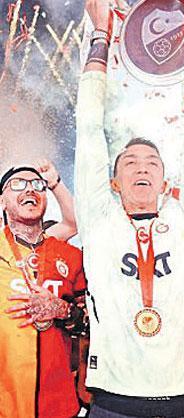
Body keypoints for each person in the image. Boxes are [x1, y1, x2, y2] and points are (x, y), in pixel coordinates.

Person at [74, 0, 184, 415]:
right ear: (113, 181)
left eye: (152, 163)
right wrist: (101, 36)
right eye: (130, 162)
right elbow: (88, 127)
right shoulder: (99, 218)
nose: (142, 168)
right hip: (114, 400)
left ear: (165, 181)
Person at [1, 166, 87, 417]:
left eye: (37, 185)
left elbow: (93, 325)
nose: (30, 189)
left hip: (59, 404)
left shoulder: (71, 257)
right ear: (2, 201)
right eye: (18, 184)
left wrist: (65, 311)